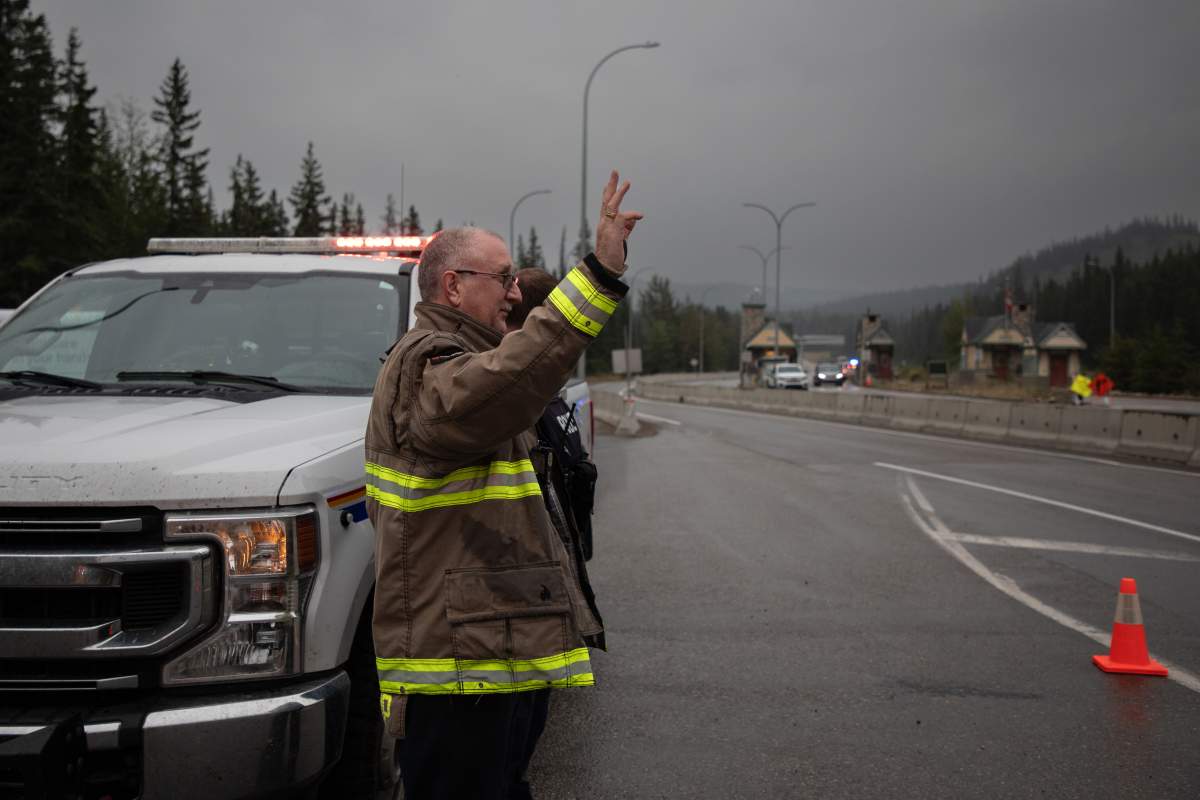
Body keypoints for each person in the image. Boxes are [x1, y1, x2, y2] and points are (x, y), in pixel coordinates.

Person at [366, 171, 641, 800]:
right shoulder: (426, 365)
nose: (516, 294)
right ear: (454, 286)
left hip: (490, 647)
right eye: (505, 278)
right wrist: (595, 278)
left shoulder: (467, 356)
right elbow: (507, 379)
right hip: (458, 663)